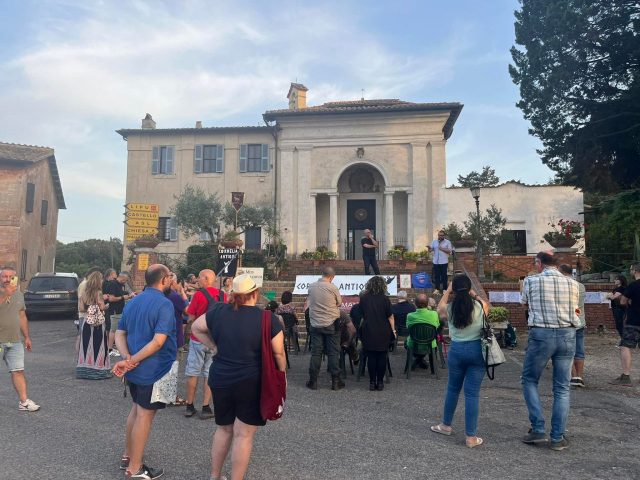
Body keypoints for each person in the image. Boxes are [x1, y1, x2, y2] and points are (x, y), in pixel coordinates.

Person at [191, 274, 285, 480]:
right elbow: (278, 352)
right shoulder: (267, 318)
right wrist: (281, 373)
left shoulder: (218, 311)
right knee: (243, 434)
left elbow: (196, 327)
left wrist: (213, 346)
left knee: (224, 429)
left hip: (221, 377)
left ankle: (215, 476)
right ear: (255, 293)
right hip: (251, 380)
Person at [112, 264, 177, 479]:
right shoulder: (164, 305)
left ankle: (128, 455)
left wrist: (127, 359)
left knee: (136, 410)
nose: (171, 280)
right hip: (154, 368)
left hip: (135, 368)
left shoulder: (134, 301)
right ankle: (136, 468)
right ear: (164, 279)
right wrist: (133, 360)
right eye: (170, 276)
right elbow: (158, 342)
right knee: (144, 415)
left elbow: (120, 333)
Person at [520, 252, 580, 451]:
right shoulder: (573, 283)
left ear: (539, 264)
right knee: (562, 388)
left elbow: (524, 303)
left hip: (541, 333)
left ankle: (538, 428)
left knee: (529, 379)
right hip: (567, 333)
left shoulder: (531, 281)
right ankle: (557, 437)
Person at [432, 275, 488, 447]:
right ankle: (471, 436)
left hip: (456, 350)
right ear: (469, 289)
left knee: (453, 389)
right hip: (477, 350)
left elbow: (439, 308)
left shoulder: (449, 308)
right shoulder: (479, 306)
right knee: (472, 394)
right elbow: (487, 305)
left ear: (455, 290)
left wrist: (448, 291)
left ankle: (446, 425)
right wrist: (474, 294)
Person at [184, 269, 225, 419]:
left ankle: (190, 405)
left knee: (193, 372)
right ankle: (206, 407)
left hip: (198, 339)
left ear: (206, 279)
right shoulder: (223, 295)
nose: (197, 281)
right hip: (215, 340)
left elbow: (190, 317)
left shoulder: (198, 295)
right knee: (209, 373)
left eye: (199, 278)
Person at [0, 266, 40, 412]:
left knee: (18, 371)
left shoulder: (19, 295)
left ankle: (24, 402)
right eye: (4, 276)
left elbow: (22, 316)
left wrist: (27, 337)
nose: (8, 279)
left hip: (15, 341)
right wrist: (5, 295)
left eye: (11, 276)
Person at [306, 267, 343, 390]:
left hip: (316, 323)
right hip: (331, 322)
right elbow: (339, 303)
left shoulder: (311, 286)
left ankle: (313, 380)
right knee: (333, 352)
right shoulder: (333, 287)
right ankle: (335, 381)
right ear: (332, 277)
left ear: (323, 274)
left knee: (316, 352)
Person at [359, 276, 396, 391]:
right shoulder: (385, 299)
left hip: (368, 329)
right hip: (383, 330)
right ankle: (380, 382)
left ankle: (371, 382)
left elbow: (362, 315)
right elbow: (390, 317)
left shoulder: (364, 298)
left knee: (371, 357)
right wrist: (393, 330)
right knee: (381, 356)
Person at [76, 271, 111, 379]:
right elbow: (101, 307)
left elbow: (81, 308)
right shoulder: (98, 293)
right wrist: (106, 306)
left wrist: (89, 308)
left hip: (87, 321)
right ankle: (99, 371)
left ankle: (84, 371)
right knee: (99, 344)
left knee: (85, 344)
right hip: (98, 323)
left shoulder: (84, 293)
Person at [610, 263, 640, 386]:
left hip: (634, 320)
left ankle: (626, 376)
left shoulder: (633, 285)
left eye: (631, 270)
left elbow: (622, 301)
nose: (630, 272)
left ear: (635, 271)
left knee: (625, 346)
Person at [559, 264, 587, 387]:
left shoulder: (562, 287)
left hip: (566, 322)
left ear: (562, 272)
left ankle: (573, 376)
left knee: (567, 351)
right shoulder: (581, 286)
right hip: (580, 321)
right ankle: (580, 376)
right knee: (579, 351)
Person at [405, 294, 441, 370]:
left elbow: (408, 327)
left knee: (406, 343)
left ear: (415, 304)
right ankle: (421, 362)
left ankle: (417, 361)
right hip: (430, 343)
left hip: (414, 343)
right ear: (427, 304)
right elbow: (437, 326)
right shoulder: (434, 314)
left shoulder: (410, 315)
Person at [105, 271, 134, 357]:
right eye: (125, 280)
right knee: (113, 330)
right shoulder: (113, 284)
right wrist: (122, 297)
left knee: (116, 329)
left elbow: (120, 294)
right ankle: (110, 349)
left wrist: (129, 295)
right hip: (114, 311)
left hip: (119, 310)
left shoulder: (119, 285)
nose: (125, 282)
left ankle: (113, 347)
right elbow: (111, 299)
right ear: (122, 278)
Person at [77, 266, 102, 330]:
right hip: (86, 315)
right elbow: (82, 300)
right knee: (84, 336)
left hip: (88, 315)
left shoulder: (85, 284)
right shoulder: (85, 284)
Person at [607, 274, 628, 339]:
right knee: (618, 324)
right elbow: (609, 297)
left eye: (616, 279)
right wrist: (610, 295)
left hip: (619, 308)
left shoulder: (621, 288)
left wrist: (609, 295)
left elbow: (612, 297)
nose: (614, 280)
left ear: (621, 281)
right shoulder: (616, 289)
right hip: (615, 308)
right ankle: (623, 339)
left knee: (619, 325)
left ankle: (624, 339)